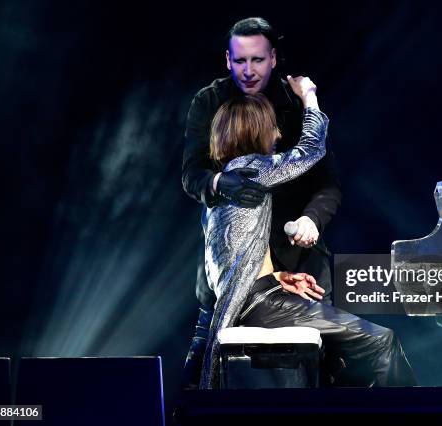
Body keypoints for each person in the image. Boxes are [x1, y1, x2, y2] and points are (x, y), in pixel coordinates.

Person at [199, 79, 416, 389]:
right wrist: (310, 99)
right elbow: (311, 149)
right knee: (381, 341)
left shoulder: (220, 189)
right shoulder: (250, 168)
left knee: (348, 355)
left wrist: (278, 278)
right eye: (271, 127)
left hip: (260, 298)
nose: (277, 134)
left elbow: (230, 263)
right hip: (263, 306)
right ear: (255, 131)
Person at [181, 17, 341, 388]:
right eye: (240, 61)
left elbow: (327, 181)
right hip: (234, 265)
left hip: (295, 260)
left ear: (273, 59)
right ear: (227, 60)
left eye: (257, 60)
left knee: (327, 360)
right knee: (204, 365)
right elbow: (192, 176)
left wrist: (311, 220)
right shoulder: (210, 101)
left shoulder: (295, 102)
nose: (248, 70)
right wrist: (221, 180)